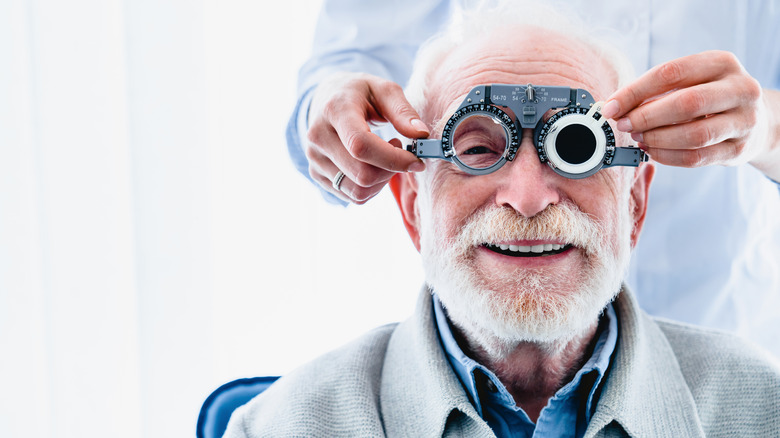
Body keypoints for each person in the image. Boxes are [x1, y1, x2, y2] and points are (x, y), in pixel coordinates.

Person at [228, 5, 780, 436]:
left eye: (576, 145)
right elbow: (349, 70)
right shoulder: (278, 427)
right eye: (476, 148)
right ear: (412, 203)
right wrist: (330, 114)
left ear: (636, 198)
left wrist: (769, 129)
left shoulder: (763, 409)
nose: (529, 197)